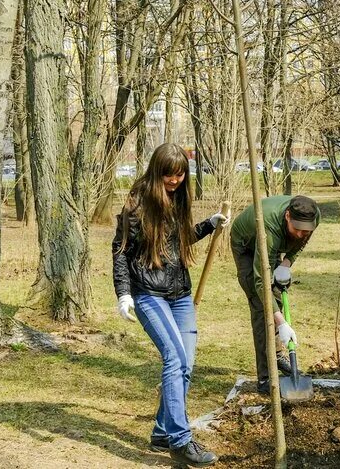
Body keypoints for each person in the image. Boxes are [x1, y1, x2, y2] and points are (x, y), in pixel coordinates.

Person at [112, 143, 228, 467]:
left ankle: (162, 430)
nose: (175, 180)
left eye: (180, 174)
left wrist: (208, 225)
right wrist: (123, 293)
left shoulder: (178, 199)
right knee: (174, 358)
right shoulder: (136, 205)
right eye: (169, 174)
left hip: (179, 295)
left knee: (185, 364)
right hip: (148, 294)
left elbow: (179, 241)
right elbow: (120, 251)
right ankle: (180, 440)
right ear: (156, 171)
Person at [229, 194, 320, 394]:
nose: (300, 234)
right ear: (288, 216)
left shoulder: (314, 216)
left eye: (306, 230)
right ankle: (265, 378)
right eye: (297, 229)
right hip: (246, 245)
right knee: (262, 307)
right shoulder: (270, 227)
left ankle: (277, 354)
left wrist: (286, 263)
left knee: (277, 294)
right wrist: (281, 322)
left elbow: (301, 241)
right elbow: (260, 281)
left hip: (273, 243)